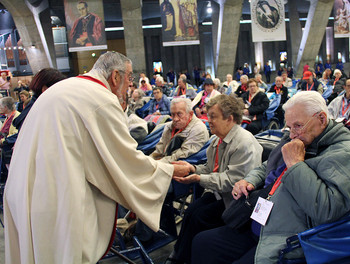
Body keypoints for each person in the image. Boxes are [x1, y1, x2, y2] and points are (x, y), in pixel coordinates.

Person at [4, 51, 190, 263]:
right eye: (129, 78)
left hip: (23, 191)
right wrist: (170, 170)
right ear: (115, 77)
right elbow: (126, 161)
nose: (130, 85)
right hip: (54, 199)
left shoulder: (67, 88)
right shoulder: (100, 99)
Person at [192, 91, 350, 264]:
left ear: (321, 118)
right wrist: (250, 179)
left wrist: (296, 165)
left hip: (288, 237)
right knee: (202, 242)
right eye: (289, 127)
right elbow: (266, 166)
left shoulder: (342, 153)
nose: (292, 134)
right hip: (261, 219)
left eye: (298, 126)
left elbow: (327, 209)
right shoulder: (296, 137)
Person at [167, 94, 263, 264]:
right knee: (191, 211)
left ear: (229, 118)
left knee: (199, 217)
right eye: (208, 115)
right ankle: (179, 255)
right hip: (222, 195)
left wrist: (198, 178)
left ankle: (184, 257)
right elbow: (211, 169)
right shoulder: (216, 140)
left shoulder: (244, 143)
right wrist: (192, 168)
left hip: (237, 203)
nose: (208, 120)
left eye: (213, 116)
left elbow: (232, 181)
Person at [151, 97, 209, 163]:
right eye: (173, 115)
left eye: (179, 114)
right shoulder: (169, 126)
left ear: (190, 114)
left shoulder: (198, 129)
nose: (175, 119)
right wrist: (149, 160)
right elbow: (159, 150)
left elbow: (181, 155)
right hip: (165, 161)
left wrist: (157, 164)